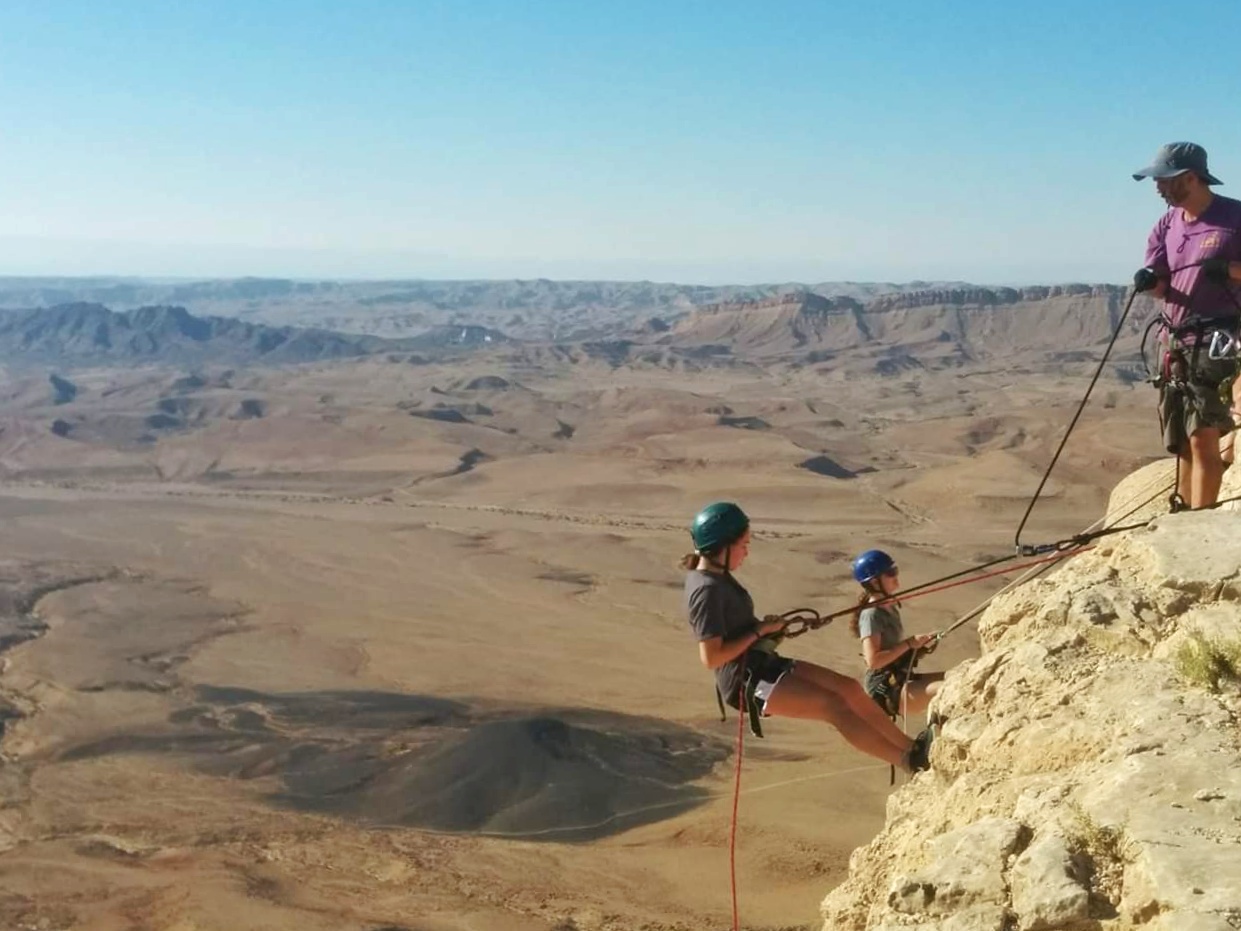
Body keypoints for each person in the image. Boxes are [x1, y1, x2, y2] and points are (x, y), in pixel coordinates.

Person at [681, 502, 932, 774]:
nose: (746, 552)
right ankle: (908, 761)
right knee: (834, 707)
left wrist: (767, 627)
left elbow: (733, 628)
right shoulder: (706, 590)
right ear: (724, 546)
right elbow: (711, 657)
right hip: (746, 684)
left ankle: (910, 746)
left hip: (761, 664)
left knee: (848, 688)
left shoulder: (718, 576)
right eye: (743, 544)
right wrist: (759, 631)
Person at [1132, 142, 1241, 508]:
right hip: (1176, 342)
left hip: (1218, 339)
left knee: (1202, 438)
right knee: (1180, 439)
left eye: (1164, 180)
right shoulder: (1165, 225)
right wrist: (1151, 282)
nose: (1157, 187)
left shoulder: (1234, 218)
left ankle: (1201, 522)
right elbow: (1163, 287)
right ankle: (1184, 514)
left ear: (1191, 178)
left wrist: (1229, 271)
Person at [850, 549, 944, 718]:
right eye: (890, 573)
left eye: (895, 570)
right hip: (885, 688)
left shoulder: (888, 606)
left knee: (958, 676)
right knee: (951, 688)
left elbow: (892, 649)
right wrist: (909, 644)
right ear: (875, 582)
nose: (896, 576)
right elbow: (873, 661)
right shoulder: (871, 615)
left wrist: (917, 645)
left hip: (898, 677)